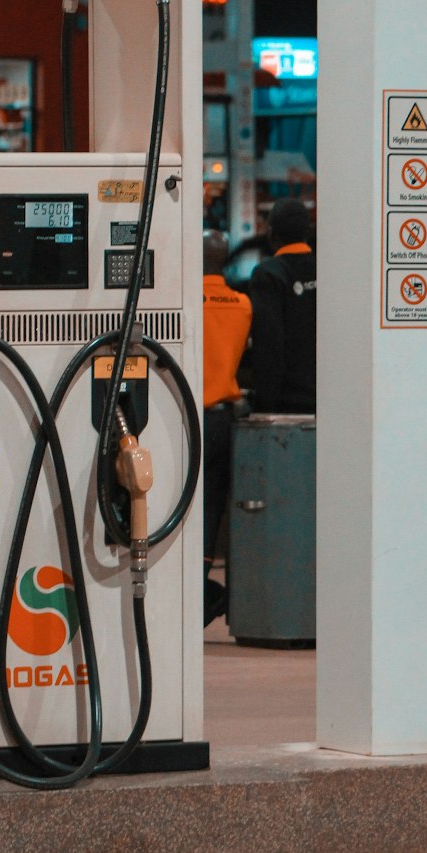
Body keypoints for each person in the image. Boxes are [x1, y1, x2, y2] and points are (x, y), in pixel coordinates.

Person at [202, 229, 251, 626]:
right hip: (223, 419)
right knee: (215, 505)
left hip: (186, 420)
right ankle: (208, 588)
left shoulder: (185, 302)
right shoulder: (241, 304)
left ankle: (194, 592)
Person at [248, 198, 316, 414]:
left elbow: (269, 343)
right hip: (328, 395)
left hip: (288, 401)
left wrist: (266, 402)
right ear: (308, 231)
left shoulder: (268, 274)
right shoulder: (327, 268)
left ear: (271, 234)